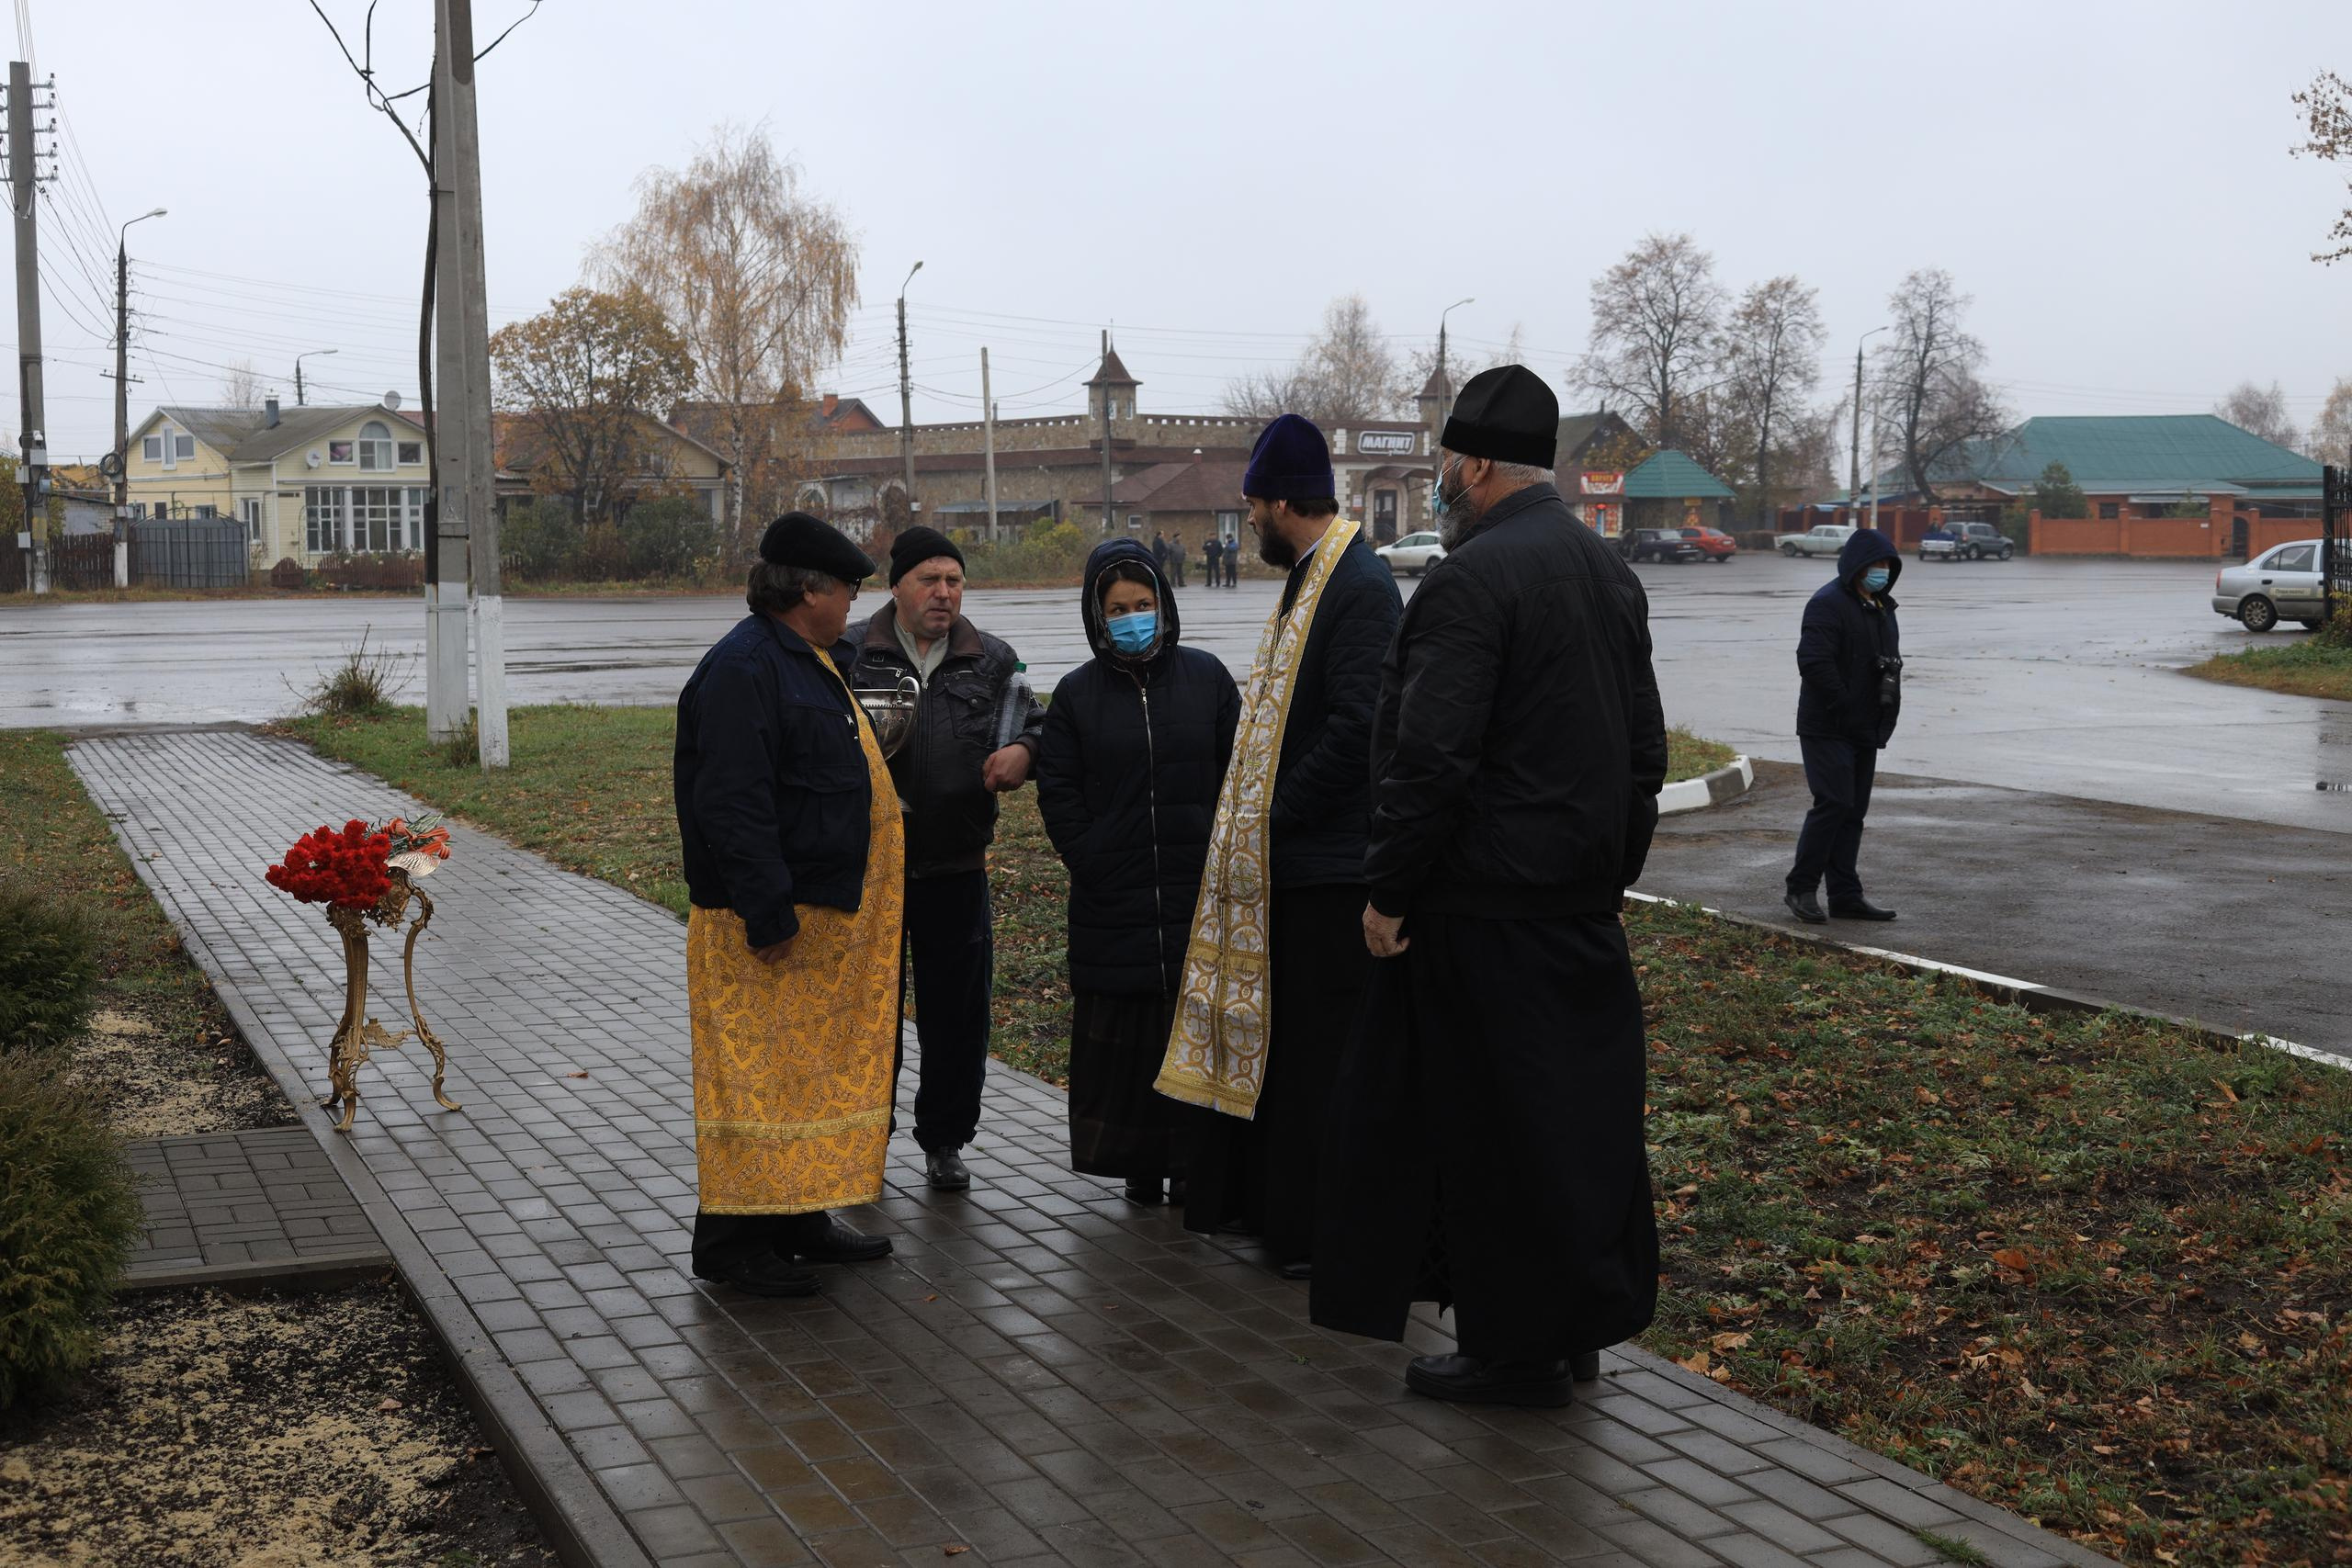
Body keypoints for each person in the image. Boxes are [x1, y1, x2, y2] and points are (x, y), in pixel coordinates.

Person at [1313, 365, 1668, 1408]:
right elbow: (1641, 750)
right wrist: (1609, 868)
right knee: (1573, 1129)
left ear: (1470, 464)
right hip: (1577, 906)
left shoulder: (1470, 581)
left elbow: (1430, 760)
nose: (1442, 487)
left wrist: (1387, 893)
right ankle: (1572, 1331)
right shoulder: (1605, 572)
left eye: (1444, 469)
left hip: (1485, 911)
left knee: (1494, 1133)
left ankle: (1511, 1349)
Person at [1157, 413, 1402, 1278]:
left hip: (1329, 867)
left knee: (1320, 1063)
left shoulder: (1360, 586)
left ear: (1281, 501)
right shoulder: (1312, 574)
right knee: (1289, 1054)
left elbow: (1357, 728)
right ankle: (1278, 1214)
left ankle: (1314, 1231)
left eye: (1252, 503)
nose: (1246, 518)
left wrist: (1271, 813)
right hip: (1295, 865)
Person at [673, 513, 903, 1297]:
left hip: (821, 928)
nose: (851, 605)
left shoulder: (808, 659)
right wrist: (768, 914)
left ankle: (799, 1214)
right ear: (808, 590)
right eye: (846, 589)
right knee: (757, 1084)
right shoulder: (744, 669)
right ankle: (735, 1244)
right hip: (766, 930)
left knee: (802, 1082)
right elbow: (732, 803)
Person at [1035, 541, 1238, 1204]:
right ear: (1098, 616)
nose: (1133, 617)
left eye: (1143, 604)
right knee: (1128, 1043)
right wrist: (1090, 854)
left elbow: (1237, 775)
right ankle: (1139, 1167)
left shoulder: (1207, 679)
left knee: (1192, 1031)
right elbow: (1058, 790)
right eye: (1118, 608)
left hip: (1194, 895)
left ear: (1163, 602)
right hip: (1112, 902)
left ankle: (1197, 1164)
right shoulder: (1075, 697)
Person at [846, 526, 1046, 1193]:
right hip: (868, 872)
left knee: (956, 1018)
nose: (943, 592)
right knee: (867, 1017)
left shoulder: (991, 658)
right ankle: (857, 1141)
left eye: (954, 580)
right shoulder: (851, 652)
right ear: (895, 585)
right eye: (929, 579)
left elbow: (1035, 722)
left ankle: (945, 1140)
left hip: (956, 866)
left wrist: (1027, 753)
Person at [1783, 528, 1902, 924]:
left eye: (1887, 564)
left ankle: (1846, 895)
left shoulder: (1882, 606)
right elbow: (1814, 663)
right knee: (1832, 803)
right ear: (1856, 566)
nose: (1882, 571)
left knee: (1853, 812)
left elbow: (1887, 663)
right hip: (1827, 723)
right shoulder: (1827, 603)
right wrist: (1847, 702)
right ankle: (1801, 888)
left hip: (1865, 725)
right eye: (1875, 564)